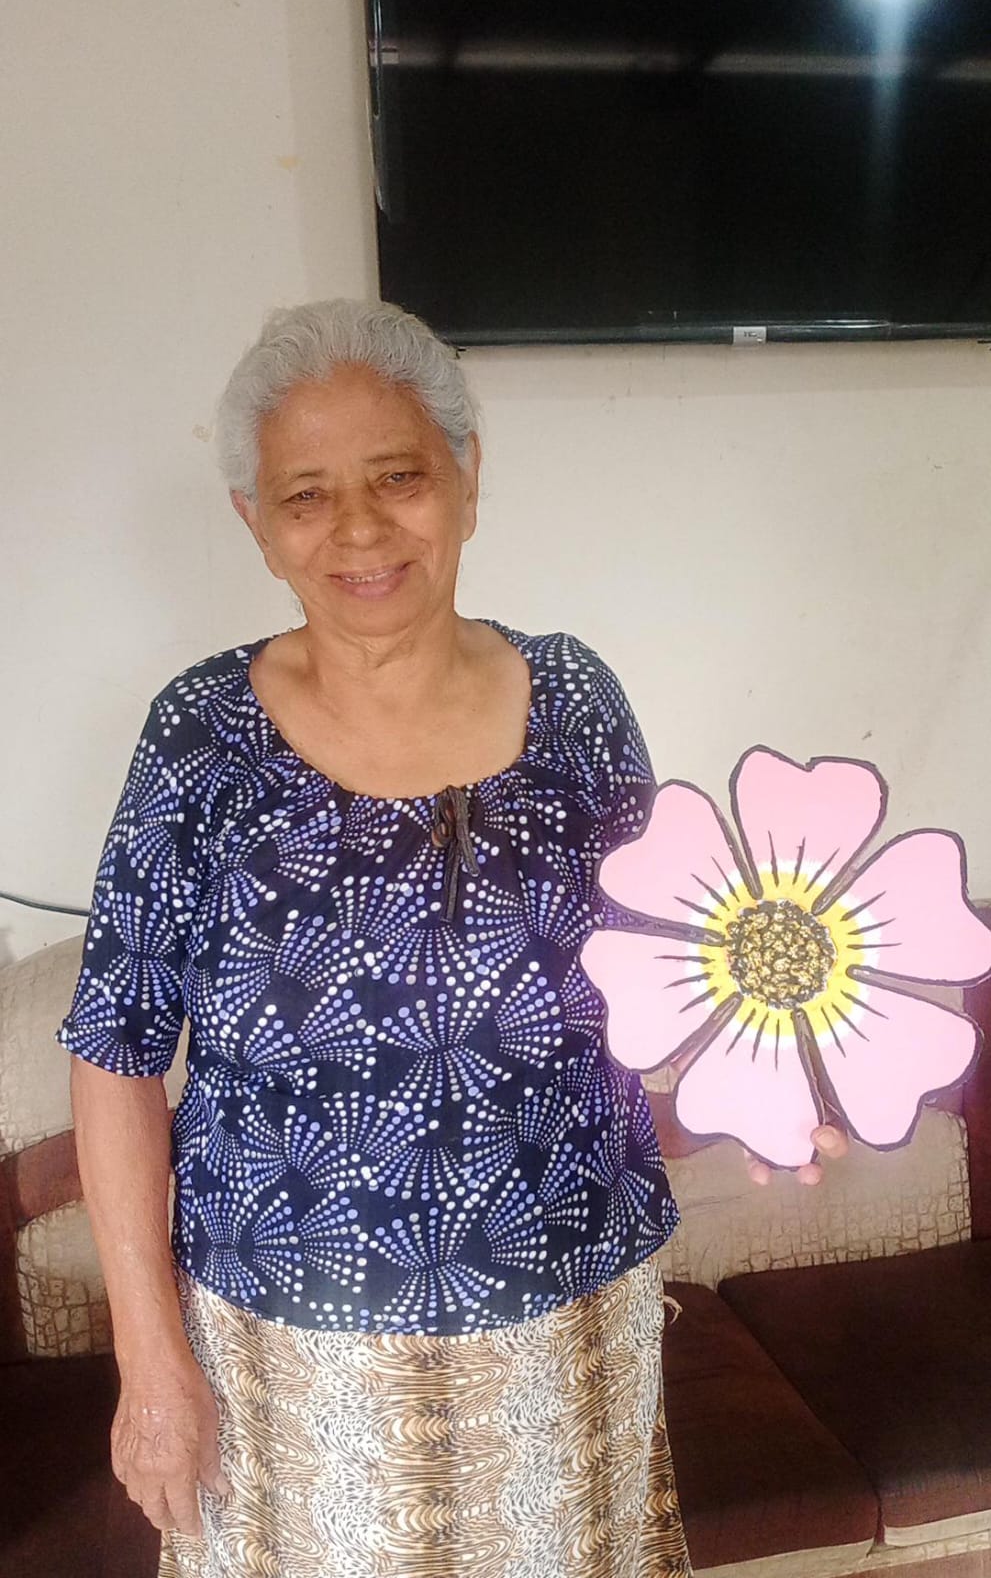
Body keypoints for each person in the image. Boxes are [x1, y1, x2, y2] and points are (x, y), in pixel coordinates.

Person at [61, 299, 845, 1578]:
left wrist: (767, 1092)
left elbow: (666, 979)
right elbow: (113, 1051)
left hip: (568, 1331)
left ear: (467, 479)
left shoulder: (575, 701)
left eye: (398, 475)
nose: (360, 528)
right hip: (286, 1356)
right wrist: (149, 1364)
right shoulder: (200, 738)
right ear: (255, 523)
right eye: (306, 495)